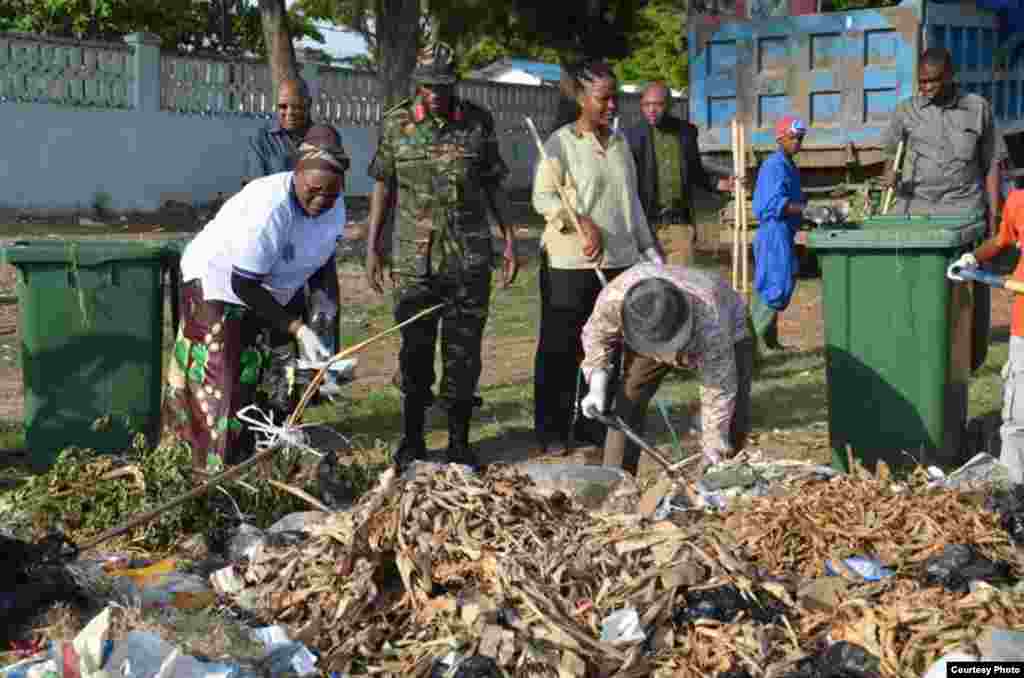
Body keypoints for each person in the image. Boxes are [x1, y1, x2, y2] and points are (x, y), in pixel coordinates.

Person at [364, 42, 518, 470]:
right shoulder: (395, 124)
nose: (435, 93)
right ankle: (412, 440)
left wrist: (509, 239)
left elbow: (493, 185)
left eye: (443, 85)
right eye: (428, 85)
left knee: (463, 353)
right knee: (414, 351)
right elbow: (383, 186)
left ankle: (458, 443)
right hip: (415, 262)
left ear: (455, 84)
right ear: (417, 83)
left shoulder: (476, 123)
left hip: (468, 260)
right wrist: (372, 244)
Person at [164, 125, 348, 473]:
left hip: (276, 289)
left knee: (280, 379)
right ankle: (211, 477)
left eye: (332, 194)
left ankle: (266, 468)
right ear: (296, 175)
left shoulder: (333, 208)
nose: (322, 200)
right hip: (218, 286)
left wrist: (324, 336)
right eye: (314, 190)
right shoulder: (269, 208)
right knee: (222, 386)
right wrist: (296, 327)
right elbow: (244, 285)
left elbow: (324, 268)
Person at [531, 61, 662, 456]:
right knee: (562, 347)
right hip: (571, 265)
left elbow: (631, 204)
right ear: (582, 99)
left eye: (614, 98)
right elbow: (543, 197)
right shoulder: (560, 143)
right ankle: (552, 429)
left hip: (619, 263)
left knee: (606, 347)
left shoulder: (621, 145)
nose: (612, 106)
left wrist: (649, 249)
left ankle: (592, 424)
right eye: (604, 98)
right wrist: (580, 221)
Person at [579, 263, 754, 475]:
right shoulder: (617, 299)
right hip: (653, 331)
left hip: (729, 326)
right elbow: (596, 337)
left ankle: (724, 479)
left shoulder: (712, 323)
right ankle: (616, 480)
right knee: (629, 397)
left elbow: (719, 390)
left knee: (731, 416)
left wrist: (714, 445)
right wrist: (597, 385)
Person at [882, 47, 1006, 231]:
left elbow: (992, 163)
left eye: (934, 80)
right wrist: (890, 175)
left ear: (950, 75)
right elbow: (892, 156)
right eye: (922, 82)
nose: (927, 87)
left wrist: (995, 216)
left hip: (961, 206)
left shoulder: (977, 108)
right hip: (915, 204)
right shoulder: (905, 111)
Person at [949, 189, 1024, 484]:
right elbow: (1002, 239)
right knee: (1017, 418)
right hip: (1023, 330)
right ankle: (1014, 492)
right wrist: (973, 259)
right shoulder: (1018, 201)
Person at [624, 81, 737, 265]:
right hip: (646, 226)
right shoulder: (630, 136)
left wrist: (720, 184)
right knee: (651, 286)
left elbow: (695, 173)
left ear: (669, 104)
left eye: (658, 104)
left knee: (681, 285)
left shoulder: (686, 133)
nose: (652, 110)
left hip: (679, 226)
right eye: (647, 104)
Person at [751, 115, 809, 351]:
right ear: (780, 138)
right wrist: (808, 209)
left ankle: (769, 343)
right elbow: (773, 203)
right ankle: (749, 347)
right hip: (773, 231)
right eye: (793, 137)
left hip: (783, 232)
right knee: (777, 287)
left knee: (771, 284)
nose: (797, 142)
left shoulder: (788, 164)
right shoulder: (774, 165)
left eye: (800, 138)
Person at [243, 77, 313, 187]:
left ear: (309, 104)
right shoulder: (261, 139)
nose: (289, 112)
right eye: (283, 106)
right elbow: (256, 188)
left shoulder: (324, 138)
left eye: (296, 106)